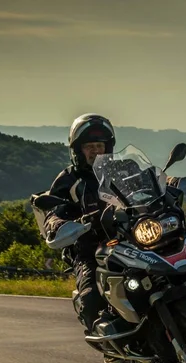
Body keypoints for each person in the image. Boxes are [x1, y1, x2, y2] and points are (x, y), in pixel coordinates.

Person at [37, 113, 119, 335]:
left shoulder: (121, 170)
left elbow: (148, 182)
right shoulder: (69, 179)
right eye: (89, 146)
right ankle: (106, 337)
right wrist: (57, 223)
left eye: (99, 145)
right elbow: (53, 209)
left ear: (108, 147)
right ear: (78, 150)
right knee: (91, 296)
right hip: (90, 248)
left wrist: (171, 183)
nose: (95, 151)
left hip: (129, 239)